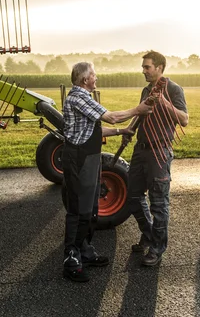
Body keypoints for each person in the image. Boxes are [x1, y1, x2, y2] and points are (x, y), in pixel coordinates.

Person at [62, 61, 151, 282]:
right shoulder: (78, 97)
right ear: (85, 79)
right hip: (78, 160)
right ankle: (71, 261)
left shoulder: (84, 98)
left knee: (91, 210)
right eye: (94, 75)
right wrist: (138, 110)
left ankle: (85, 252)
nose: (96, 78)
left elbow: (96, 128)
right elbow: (110, 116)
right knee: (79, 211)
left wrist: (123, 130)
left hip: (89, 159)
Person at [125, 51, 189, 266]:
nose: (143, 70)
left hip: (159, 152)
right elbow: (142, 114)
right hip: (140, 150)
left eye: (147, 67)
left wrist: (163, 102)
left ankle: (157, 248)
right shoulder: (145, 90)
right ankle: (149, 233)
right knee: (133, 196)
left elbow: (185, 120)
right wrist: (129, 129)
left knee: (159, 203)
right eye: (143, 67)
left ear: (160, 67)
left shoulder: (173, 89)